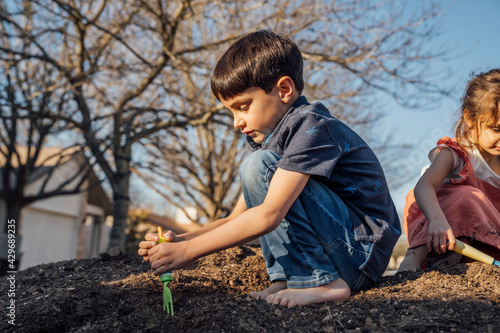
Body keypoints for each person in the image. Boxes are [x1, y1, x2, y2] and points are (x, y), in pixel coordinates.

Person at [138, 30, 401, 307]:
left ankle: (323, 281)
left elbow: (269, 215)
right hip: (341, 248)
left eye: (243, 106)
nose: (236, 122)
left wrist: (189, 252)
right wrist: (181, 240)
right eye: (231, 112)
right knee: (256, 166)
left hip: (360, 254)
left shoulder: (311, 127)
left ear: (284, 90)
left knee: (257, 166)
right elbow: (237, 219)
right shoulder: (274, 145)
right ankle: (287, 278)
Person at [399, 68, 500, 272]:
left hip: (483, 232)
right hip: (435, 222)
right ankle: (412, 262)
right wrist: (437, 220)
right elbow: (423, 187)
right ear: (470, 118)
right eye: (496, 129)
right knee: (468, 196)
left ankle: (482, 261)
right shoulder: (457, 153)